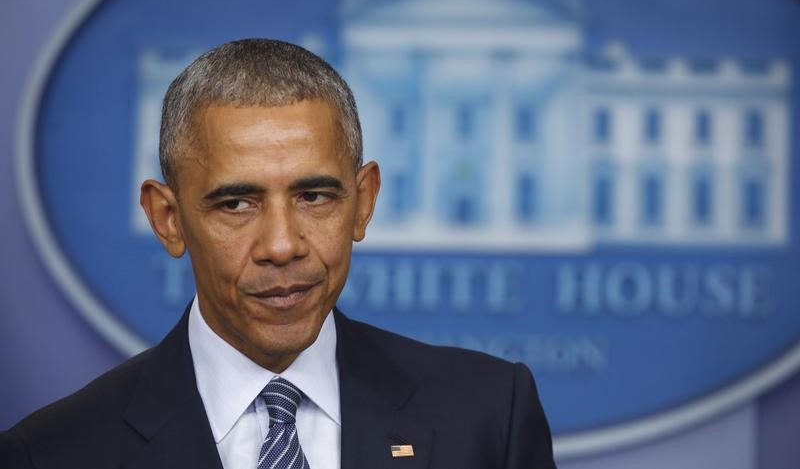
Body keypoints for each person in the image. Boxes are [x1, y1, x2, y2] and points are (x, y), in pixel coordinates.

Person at [0, 39, 556, 469]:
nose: (283, 246)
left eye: (314, 196)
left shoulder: (488, 417)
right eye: (237, 204)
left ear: (363, 202)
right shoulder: (50, 453)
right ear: (168, 219)